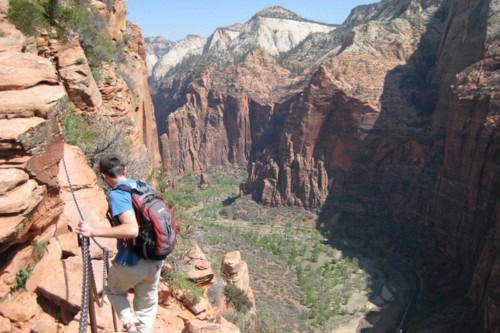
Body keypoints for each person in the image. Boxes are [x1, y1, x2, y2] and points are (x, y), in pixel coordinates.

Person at [76, 154, 162, 333]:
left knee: (114, 291)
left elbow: (131, 230)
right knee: (146, 308)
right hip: (156, 259)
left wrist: (93, 231)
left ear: (104, 177)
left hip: (133, 261)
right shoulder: (143, 186)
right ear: (126, 170)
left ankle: (130, 328)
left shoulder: (118, 194)